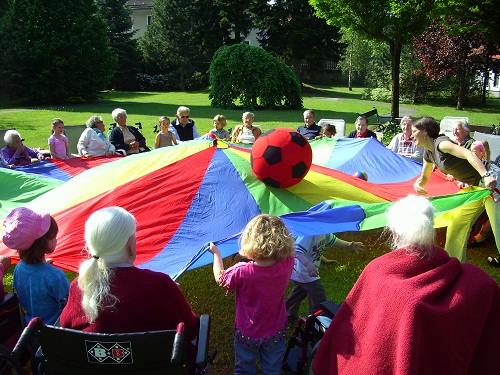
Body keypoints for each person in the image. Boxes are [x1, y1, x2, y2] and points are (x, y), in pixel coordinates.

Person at [312, 195, 500, 375]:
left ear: (394, 233)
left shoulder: (377, 273)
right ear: (431, 228)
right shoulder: (477, 283)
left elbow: (356, 335)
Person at [60, 207, 199, 339]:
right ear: (131, 244)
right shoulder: (160, 285)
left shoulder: (80, 286)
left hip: (97, 363)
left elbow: (66, 326)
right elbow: (191, 329)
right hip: (160, 363)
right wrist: (171, 294)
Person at [208, 214, 295, 374]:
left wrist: (216, 254)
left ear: (250, 240)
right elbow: (290, 253)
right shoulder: (288, 263)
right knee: (272, 369)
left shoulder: (242, 271)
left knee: (244, 370)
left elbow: (221, 278)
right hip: (276, 331)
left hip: (248, 333)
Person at [412, 116, 499, 265]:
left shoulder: (441, 144)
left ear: (425, 132)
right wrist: (417, 184)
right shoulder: (428, 153)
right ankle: (452, 265)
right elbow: (424, 177)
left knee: (498, 226)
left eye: (414, 131)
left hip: (491, 180)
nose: (412, 135)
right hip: (476, 187)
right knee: (457, 223)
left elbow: (468, 154)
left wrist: (485, 176)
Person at [1, 207, 69, 325]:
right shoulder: (56, 276)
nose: (56, 239)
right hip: (56, 332)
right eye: (53, 236)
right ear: (43, 242)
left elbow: (32, 283)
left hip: (32, 329)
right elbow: (70, 307)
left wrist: (43, 270)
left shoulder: (19, 268)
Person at [285, 233, 363, 324]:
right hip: (305, 272)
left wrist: (349, 245)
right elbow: (297, 251)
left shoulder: (324, 231)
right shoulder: (309, 234)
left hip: (302, 272)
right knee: (318, 296)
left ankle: (288, 314)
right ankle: (317, 321)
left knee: (298, 293)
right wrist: (308, 264)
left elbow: (333, 241)